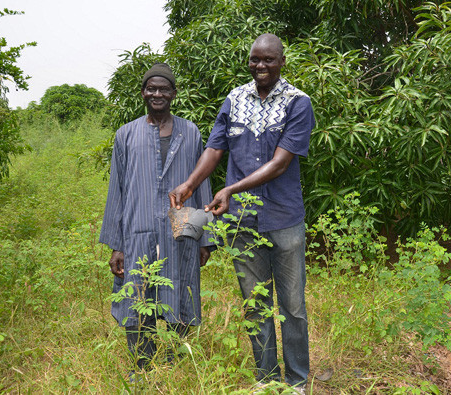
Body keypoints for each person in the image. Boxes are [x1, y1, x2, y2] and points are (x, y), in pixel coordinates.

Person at [169, 33, 315, 392]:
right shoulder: (234, 99)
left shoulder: (298, 102)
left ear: (282, 62)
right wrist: (189, 184)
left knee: (292, 306)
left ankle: (296, 381)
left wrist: (232, 189)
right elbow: (216, 148)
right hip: (243, 225)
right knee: (255, 304)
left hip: (284, 220)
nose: (260, 66)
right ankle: (267, 380)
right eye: (254, 60)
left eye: (268, 60)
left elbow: (281, 163)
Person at [99, 63, 214, 372]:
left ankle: (176, 361)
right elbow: (117, 191)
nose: (158, 94)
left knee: (181, 291)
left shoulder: (190, 132)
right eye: (152, 88)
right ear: (143, 93)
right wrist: (116, 244)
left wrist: (205, 238)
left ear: (174, 94)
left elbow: (200, 184)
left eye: (164, 89)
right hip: (138, 231)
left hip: (181, 229)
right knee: (138, 295)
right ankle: (143, 365)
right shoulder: (126, 135)